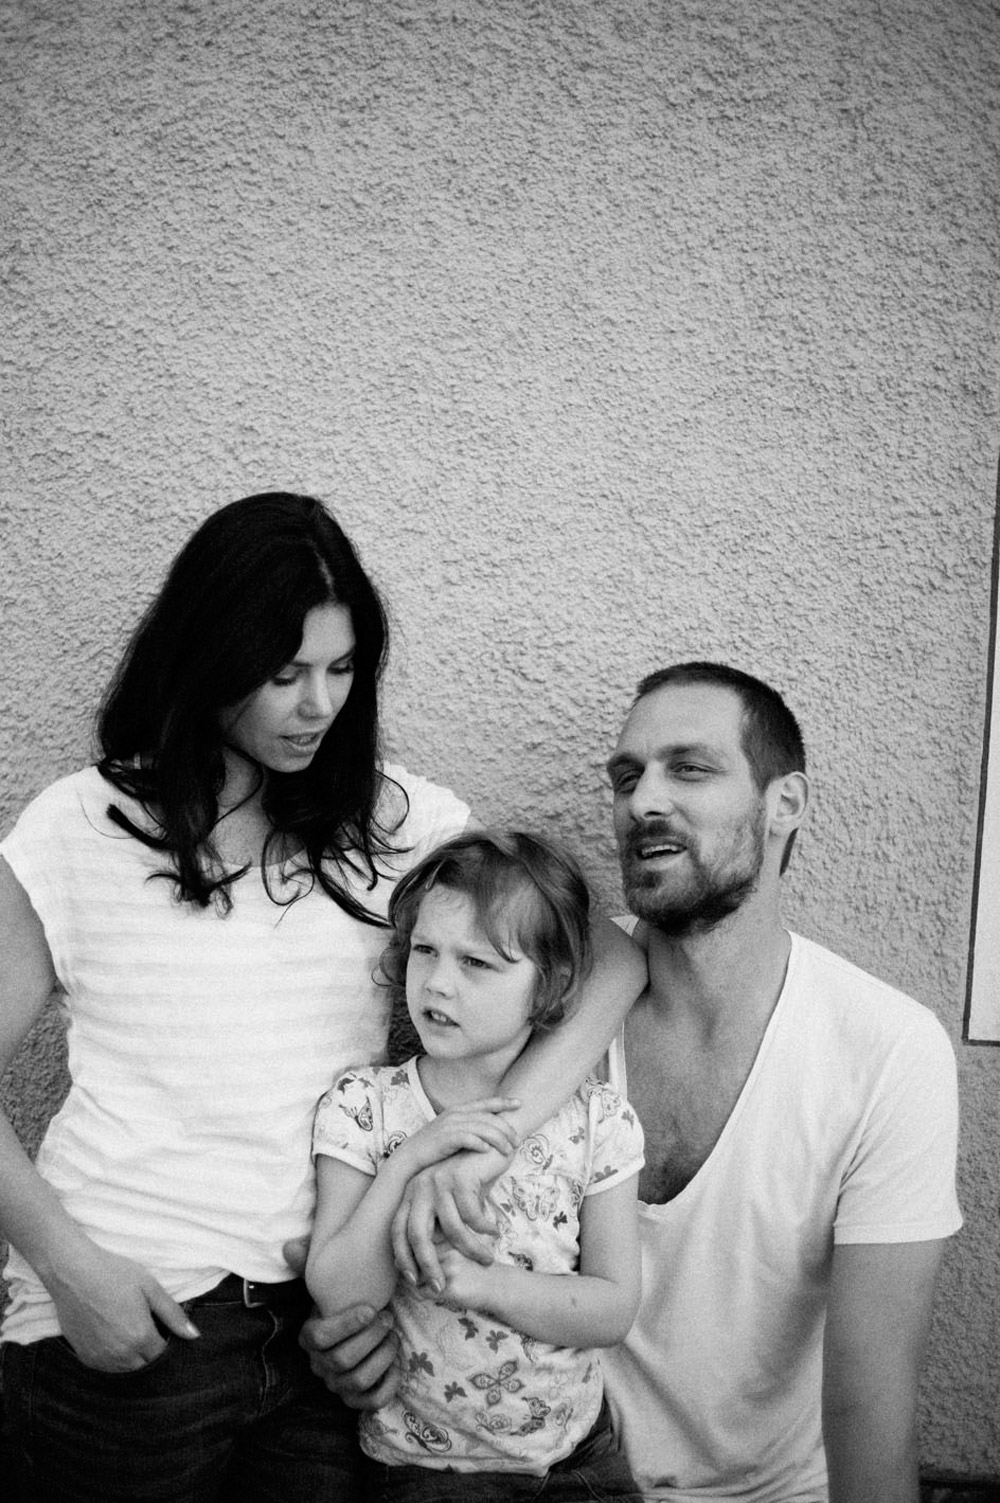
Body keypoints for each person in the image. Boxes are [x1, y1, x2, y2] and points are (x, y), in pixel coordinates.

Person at [0, 492, 643, 1503]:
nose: (318, 705)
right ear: (206, 658)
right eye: (284, 673)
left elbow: (612, 963)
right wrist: (68, 1270)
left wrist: (487, 1141)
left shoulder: (390, 819)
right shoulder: (81, 824)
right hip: (131, 1318)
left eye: (342, 670)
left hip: (324, 1339)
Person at [304, 661, 962, 1503]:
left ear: (785, 803)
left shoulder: (887, 1051)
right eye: (626, 777)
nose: (643, 799)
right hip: (533, 1468)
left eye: (689, 768)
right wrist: (347, 1328)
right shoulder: (539, 1001)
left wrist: (479, 1155)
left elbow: (873, 1404)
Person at [306, 829, 645, 1499]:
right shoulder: (365, 1108)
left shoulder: (596, 1122)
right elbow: (341, 1294)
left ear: (550, 984)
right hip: (426, 1469)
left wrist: (488, 1285)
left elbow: (612, 1307)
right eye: (425, 950)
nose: (438, 983)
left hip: (577, 1457)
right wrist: (410, 1161)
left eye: (477, 963)